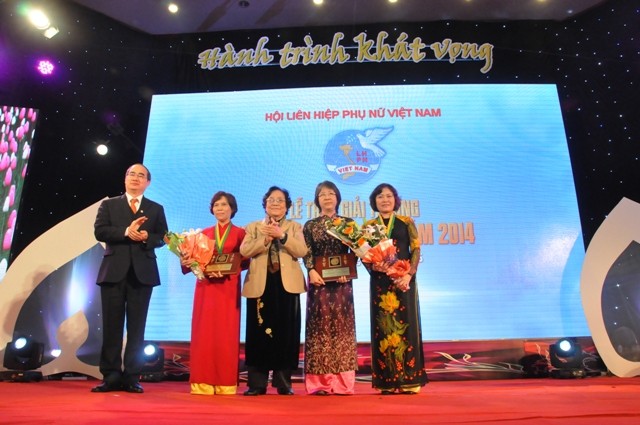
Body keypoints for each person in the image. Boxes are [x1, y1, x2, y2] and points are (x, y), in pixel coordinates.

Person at [92, 163, 168, 394]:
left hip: (142, 273)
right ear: (125, 179)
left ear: (148, 182)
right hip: (113, 272)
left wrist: (147, 236)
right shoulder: (109, 205)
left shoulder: (155, 208)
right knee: (112, 326)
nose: (136, 178)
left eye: (141, 175)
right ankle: (111, 375)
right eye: (131, 174)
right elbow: (100, 231)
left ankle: (132, 376)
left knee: (137, 328)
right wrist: (126, 231)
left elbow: (163, 236)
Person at [240, 186, 308, 396]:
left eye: (280, 200)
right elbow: (244, 251)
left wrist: (282, 236)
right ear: (265, 204)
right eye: (271, 200)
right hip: (260, 284)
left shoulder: (295, 227)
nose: (275, 203)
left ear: (287, 206)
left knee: (286, 334)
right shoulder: (253, 227)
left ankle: (283, 382)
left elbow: (302, 251)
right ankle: (257, 383)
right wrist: (266, 239)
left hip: (286, 285)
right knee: (257, 334)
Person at [180, 191, 249, 396]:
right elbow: (191, 263)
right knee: (204, 334)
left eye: (224, 204)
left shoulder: (240, 233)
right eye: (216, 204)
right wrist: (186, 260)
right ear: (212, 209)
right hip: (206, 288)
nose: (220, 208)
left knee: (226, 334)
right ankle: (202, 381)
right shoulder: (202, 235)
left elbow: (246, 260)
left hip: (228, 286)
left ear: (232, 209)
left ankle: (225, 382)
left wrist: (231, 268)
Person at [364, 183, 428, 394]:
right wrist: (372, 266)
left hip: (404, 281)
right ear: (374, 201)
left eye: (389, 196)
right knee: (383, 328)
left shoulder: (406, 222)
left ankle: (410, 379)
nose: (385, 200)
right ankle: (387, 382)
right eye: (380, 196)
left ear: (395, 200)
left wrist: (409, 275)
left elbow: (416, 249)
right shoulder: (369, 226)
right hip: (381, 284)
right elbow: (364, 254)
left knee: (407, 326)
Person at [302, 181, 358, 395]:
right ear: (317, 199)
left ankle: (343, 383)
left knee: (343, 329)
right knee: (320, 329)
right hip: (320, 284)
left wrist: (350, 270)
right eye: (322, 194)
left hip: (343, 284)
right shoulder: (311, 225)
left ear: (337, 198)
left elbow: (356, 251)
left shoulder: (348, 223)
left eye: (331, 193)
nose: (327, 197)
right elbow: (307, 252)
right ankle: (320, 383)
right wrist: (310, 271)